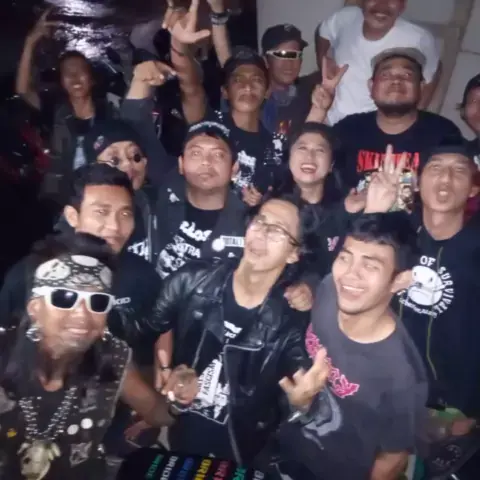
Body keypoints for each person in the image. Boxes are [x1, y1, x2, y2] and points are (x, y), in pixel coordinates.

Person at [148, 194, 329, 466]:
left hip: (242, 453)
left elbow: (300, 399)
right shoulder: (194, 279)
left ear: (294, 253)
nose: (262, 233)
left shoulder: (290, 323)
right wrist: (165, 371)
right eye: (260, 221)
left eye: (277, 230)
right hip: (182, 437)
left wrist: (302, 402)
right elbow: (154, 328)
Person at [0, 232, 197, 480]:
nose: (83, 314)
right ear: (35, 308)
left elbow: (158, 413)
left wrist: (179, 397)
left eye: (98, 301)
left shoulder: (112, 357)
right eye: (64, 297)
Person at [274, 213, 428, 480]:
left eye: (370, 266)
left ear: (399, 280)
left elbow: (392, 459)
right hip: (285, 445)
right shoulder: (329, 290)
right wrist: (299, 403)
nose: (349, 275)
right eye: (345, 258)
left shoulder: (401, 375)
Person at [164, 0, 286, 205]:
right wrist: (178, 45)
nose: (247, 87)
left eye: (256, 80)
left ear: (267, 92)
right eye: (238, 80)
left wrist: (262, 201)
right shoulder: (208, 124)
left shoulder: (275, 146)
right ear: (225, 92)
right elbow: (189, 86)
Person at [395, 142, 480, 435]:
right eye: (435, 168)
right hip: (384, 390)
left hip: (451, 408)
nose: (445, 178)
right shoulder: (394, 238)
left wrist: (471, 409)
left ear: (473, 189)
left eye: (459, 171)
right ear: (417, 183)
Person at [308, 48, 462, 203]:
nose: (396, 81)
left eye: (407, 75)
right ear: (371, 86)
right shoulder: (349, 129)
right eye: (386, 75)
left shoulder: (443, 133)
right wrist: (319, 109)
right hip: (350, 216)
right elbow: (305, 156)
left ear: (421, 87)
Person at [15, 9, 117, 201]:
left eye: (81, 71)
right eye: (67, 73)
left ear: (92, 79)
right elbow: (23, 90)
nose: (74, 76)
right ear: (61, 82)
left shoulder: (109, 110)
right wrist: (30, 42)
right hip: (59, 198)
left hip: (101, 194)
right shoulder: (54, 109)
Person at [316, 0, 441, 124]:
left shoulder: (418, 39)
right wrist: (324, 60)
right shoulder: (345, 18)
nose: (382, 5)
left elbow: (435, 69)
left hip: (376, 126)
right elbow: (323, 32)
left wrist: (416, 115)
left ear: (402, 5)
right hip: (328, 119)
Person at [206, 0, 317, 137]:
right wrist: (217, 14)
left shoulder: (308, 91)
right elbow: (227, 62)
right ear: (265, 59)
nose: (289, 63)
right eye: (281, 54)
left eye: (294, 55)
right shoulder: (251, 93)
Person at [82, 119, 162, 263]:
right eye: (114, 160)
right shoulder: (80, 214)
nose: (128, 165)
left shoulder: (158, 203)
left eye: (135, 156)